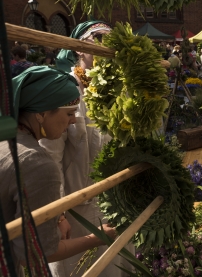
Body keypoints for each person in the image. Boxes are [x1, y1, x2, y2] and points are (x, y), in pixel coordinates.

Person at [0, 67, 117, 274]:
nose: (73, 120)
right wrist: (97, 236)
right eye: (69, 113)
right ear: (41, 114)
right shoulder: (37, 163)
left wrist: (58, 217)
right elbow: (35, 253)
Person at [41, 21, 132, 277]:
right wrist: (57, 213)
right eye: (99, 39)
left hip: (113, 204)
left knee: (114, 268)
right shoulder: (65, 90)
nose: (107, 46)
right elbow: (49, 158)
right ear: (80, 48)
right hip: (74, 209)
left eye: (111, 40)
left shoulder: (119, 90)